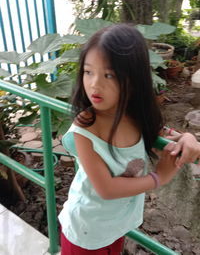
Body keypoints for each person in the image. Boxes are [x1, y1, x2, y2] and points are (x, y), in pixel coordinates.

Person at [58, 23, 200, 255]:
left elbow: (167, 134)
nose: (94, 83)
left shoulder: (135, 116)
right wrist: (159, 177)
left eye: (109, 75)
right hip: (86, 231)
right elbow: (106, 189)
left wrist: (187, 138)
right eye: (88, 71)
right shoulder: (85, 129)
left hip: (116, 226)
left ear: (134, 80)